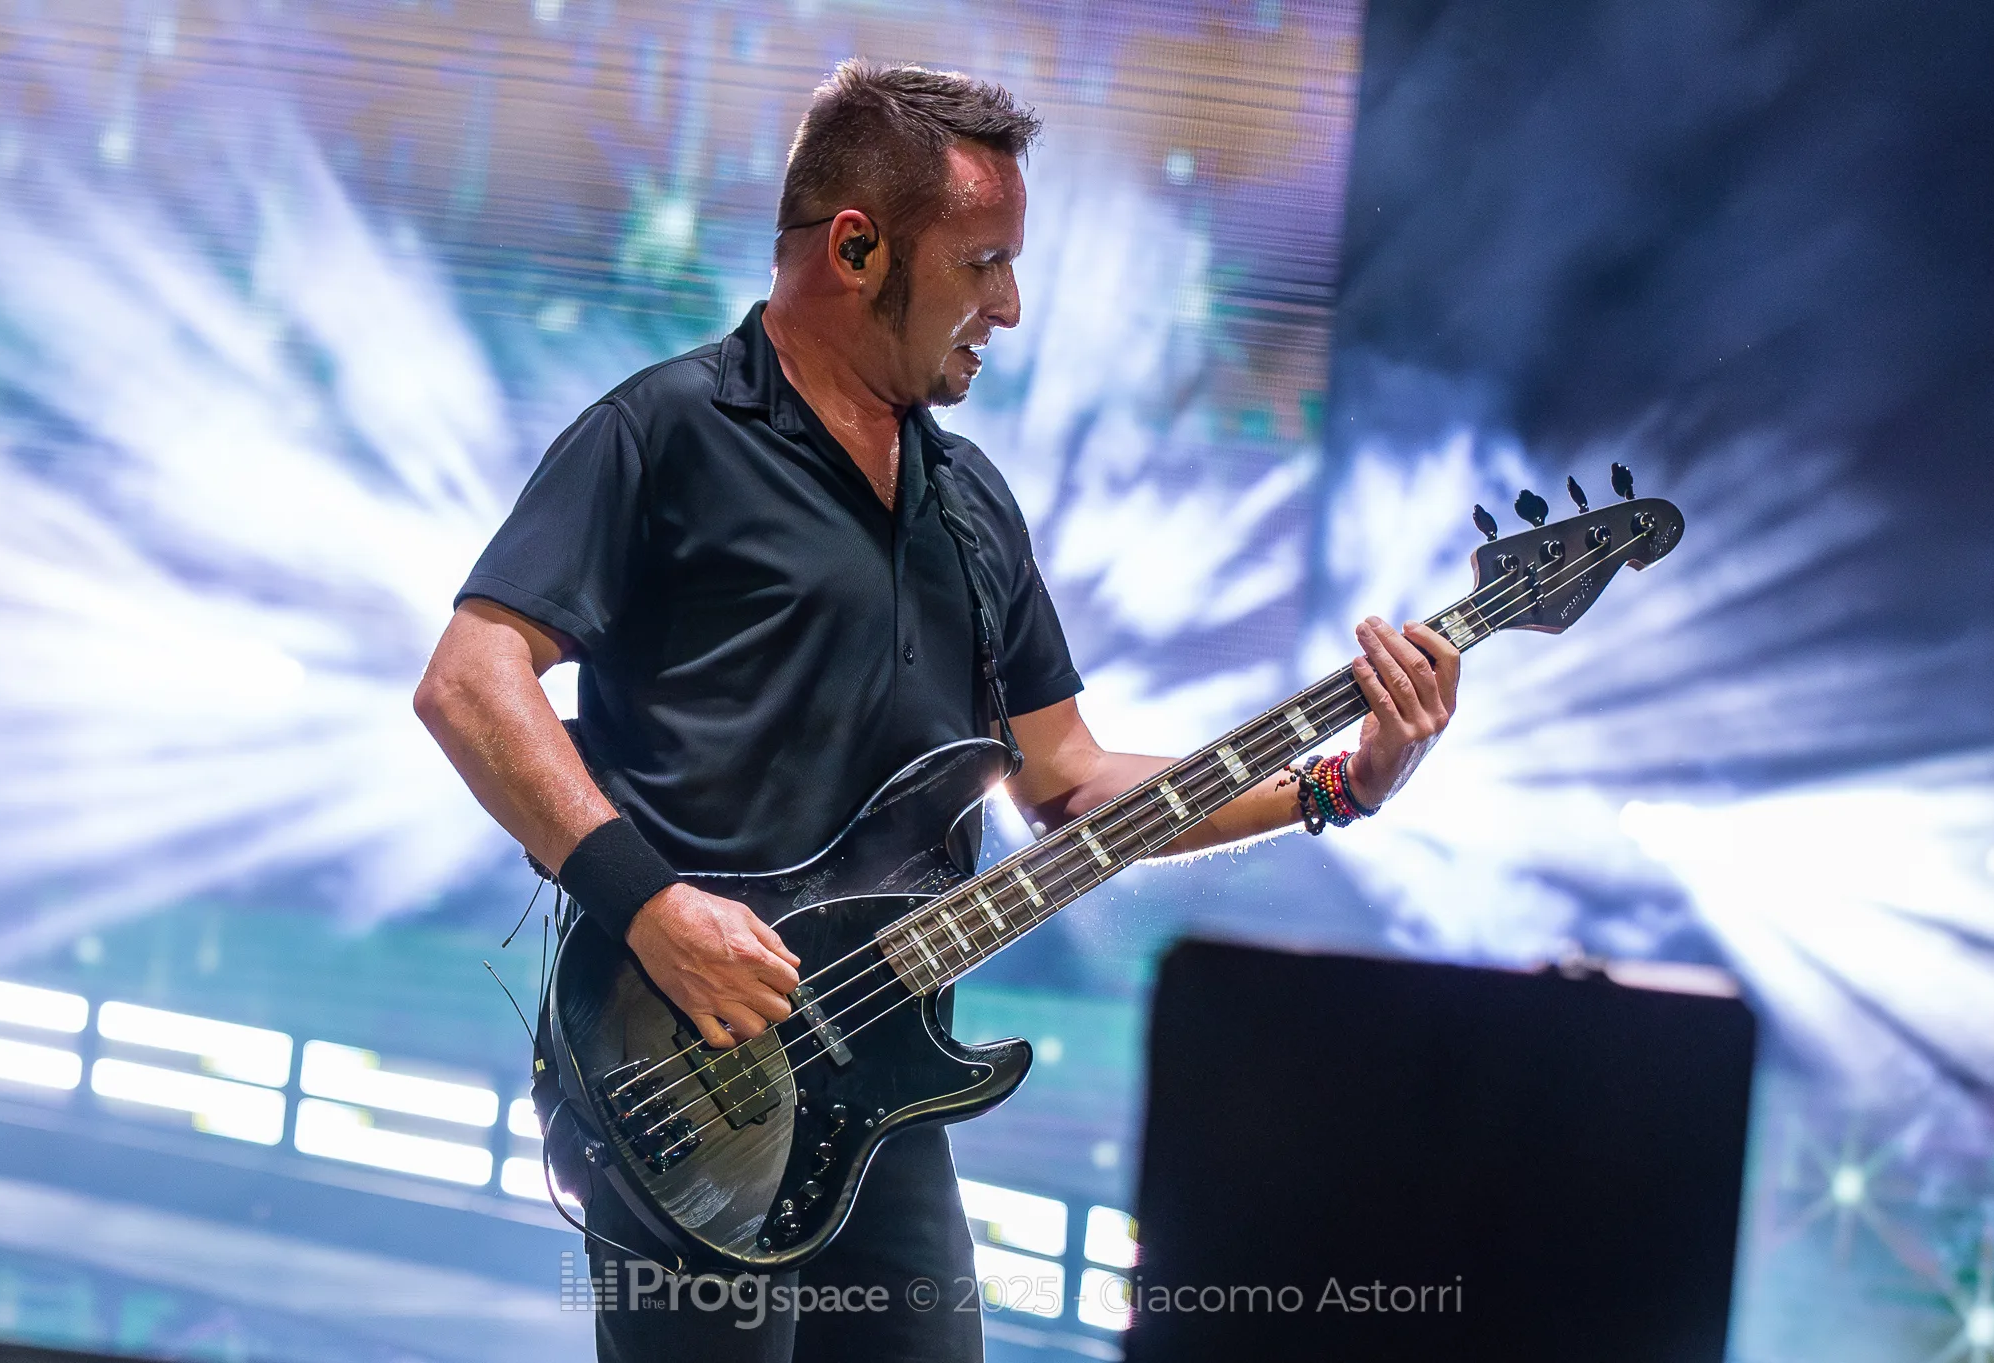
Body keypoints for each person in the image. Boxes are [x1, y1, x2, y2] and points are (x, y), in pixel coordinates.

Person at [414, 58, 1459, 1363]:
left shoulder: (972, 507)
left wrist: (1339, 782)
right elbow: (470, 680)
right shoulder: (665, 433)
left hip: (878, 1096)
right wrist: (653, 908)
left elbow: (1069, 782)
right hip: (680, 1070)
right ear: (856, 249)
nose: (1008, 306)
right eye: (983, 263)